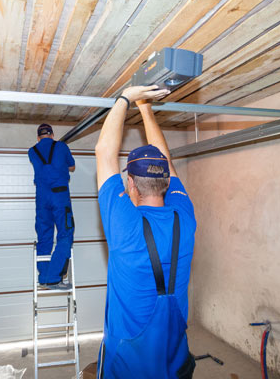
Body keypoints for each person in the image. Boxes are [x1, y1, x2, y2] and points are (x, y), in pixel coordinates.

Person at [94, 86, 197, 378]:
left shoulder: (124, 225)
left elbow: (103, 151)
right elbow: (167, 162)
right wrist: (144, 108)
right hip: (173, 355)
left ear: (131, 186)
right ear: (167, 182)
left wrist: (126, 96)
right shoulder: (184, 216)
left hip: (127, 363)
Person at [28, 123, 76, 288]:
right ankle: (54, 276)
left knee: (44, 235)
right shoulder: (62, 146)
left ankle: (44, 276)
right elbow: (72, 166)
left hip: (42, 197)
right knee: (65, 233)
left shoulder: (32, 151)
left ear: (38, 137)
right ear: (52, 134)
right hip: (59, 195)